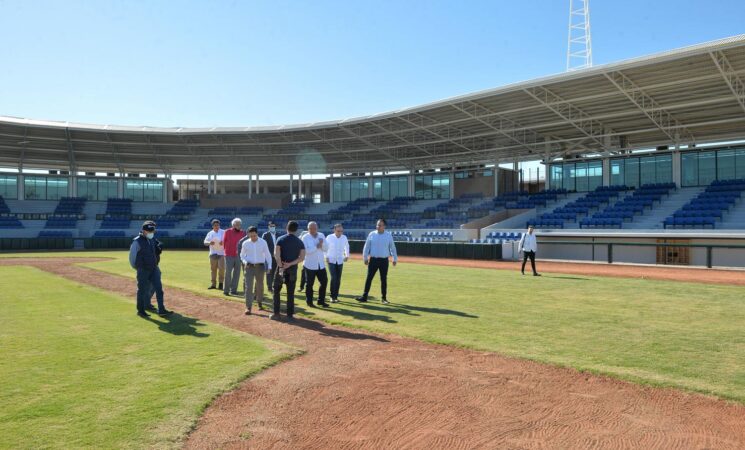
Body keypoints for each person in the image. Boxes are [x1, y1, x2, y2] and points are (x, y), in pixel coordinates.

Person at [129, 221, 172, 317]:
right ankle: (140, 310)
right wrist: (139, 268)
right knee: (142, 290)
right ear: (143, 231)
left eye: (152, 231)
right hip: (143, 269)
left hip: (154, 268)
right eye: (149, 231)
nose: (151, 233)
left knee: (159, 288)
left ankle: (161, 309)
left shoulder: (152, 239)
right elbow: (132, 258)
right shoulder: (137, 241)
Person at [356, 218, 398, 304]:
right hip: (373, 260)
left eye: (380, 225)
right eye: (377, 225)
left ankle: (384, 298)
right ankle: (364, 296)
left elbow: (392, 247)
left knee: (383, 279)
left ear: (384, 226)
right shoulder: (372, 234)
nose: (378, 226)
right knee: (369, 278)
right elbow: (366, 247)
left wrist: (394, 258)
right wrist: (365, 258)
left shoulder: (388, 235)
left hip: (384, 260)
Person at [272, 221, 305, 322]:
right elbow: (302, 257)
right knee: (290, 292)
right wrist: (290, 264)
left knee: (276, 290)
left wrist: (281, 266)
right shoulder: (300, 242)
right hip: (292, 269)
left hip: (281, 268)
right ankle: (290, 315)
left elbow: (276, 255)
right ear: (296, 229)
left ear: (287, 227)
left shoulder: (280, 239)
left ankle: (276, 314)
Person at [240, 226, 272, 315]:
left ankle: (259, 303)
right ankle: (248, 307)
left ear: (257, 233)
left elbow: (268, 255)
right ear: (248, 234)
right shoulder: (245, 243)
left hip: (260, 267)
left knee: (260, 286)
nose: (253, 237)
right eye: (251, 236)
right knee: (248, 287)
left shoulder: (263, 242)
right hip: (249, 267)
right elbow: (242, 255)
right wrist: (245, 261)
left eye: (254, 235)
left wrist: (269, 266)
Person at [302, 221, 329, 308]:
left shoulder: (321, 235)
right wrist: (317, 246)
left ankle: (321, 301)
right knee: (309, 284)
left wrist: (322, 245)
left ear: (317, 228)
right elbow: (306, 251)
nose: (313, 230)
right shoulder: (305, 237)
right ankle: (309, 301)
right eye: (311, 228)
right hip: (310, 265)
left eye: (315, 228)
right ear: (308, 229)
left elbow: (326, 248)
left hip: (320, 264)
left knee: (324, 282)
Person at [325, 223, 349, 303]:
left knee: (338, 279)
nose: (340, 232)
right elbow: (325, 247)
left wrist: (347, 255)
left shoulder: (344, 237)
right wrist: (326, 256)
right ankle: (332, 296)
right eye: (338, 231)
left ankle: (336, 296)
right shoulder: (329, 237)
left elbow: (347, 246)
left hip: (340, 260)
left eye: (341, 231)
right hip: (331, 260)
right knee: (334, 278)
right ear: (334, 230)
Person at [222, 218, 246, 296]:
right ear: (233, 225)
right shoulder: (227, 232)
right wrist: (226, 252)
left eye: (239, 224)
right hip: (229, 255)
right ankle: (226, 290)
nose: (239, 225)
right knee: (228, 273)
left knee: (237, 273)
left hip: (239, 256)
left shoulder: (243, 233)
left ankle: (233, 290)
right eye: (237, 224)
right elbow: (224, 242)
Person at [203, 219, 226, 290]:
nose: (216, 226)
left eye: (217, 225)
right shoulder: (210, 233)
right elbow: (205, 242)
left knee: (221, 269)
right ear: (212, 226)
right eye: (215, 225)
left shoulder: (223, 232)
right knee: (213, 269)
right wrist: (210, 243)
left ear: (219, 225)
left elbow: (227, 241)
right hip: (213, 253)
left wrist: (223, 242)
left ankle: (221, 284)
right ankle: (213, 284)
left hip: (221, 253)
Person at [262, 221, 279, 293]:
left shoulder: (278, 234)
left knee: (276, 272)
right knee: (269, 271)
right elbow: (264, 246)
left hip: (277, 256)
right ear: (268, 227)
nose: (272, 227)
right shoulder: (265, 235)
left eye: (273, 226)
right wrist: (270, 254)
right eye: (271, 226)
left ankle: (274, 285)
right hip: (269, 256)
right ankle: (269, 287)